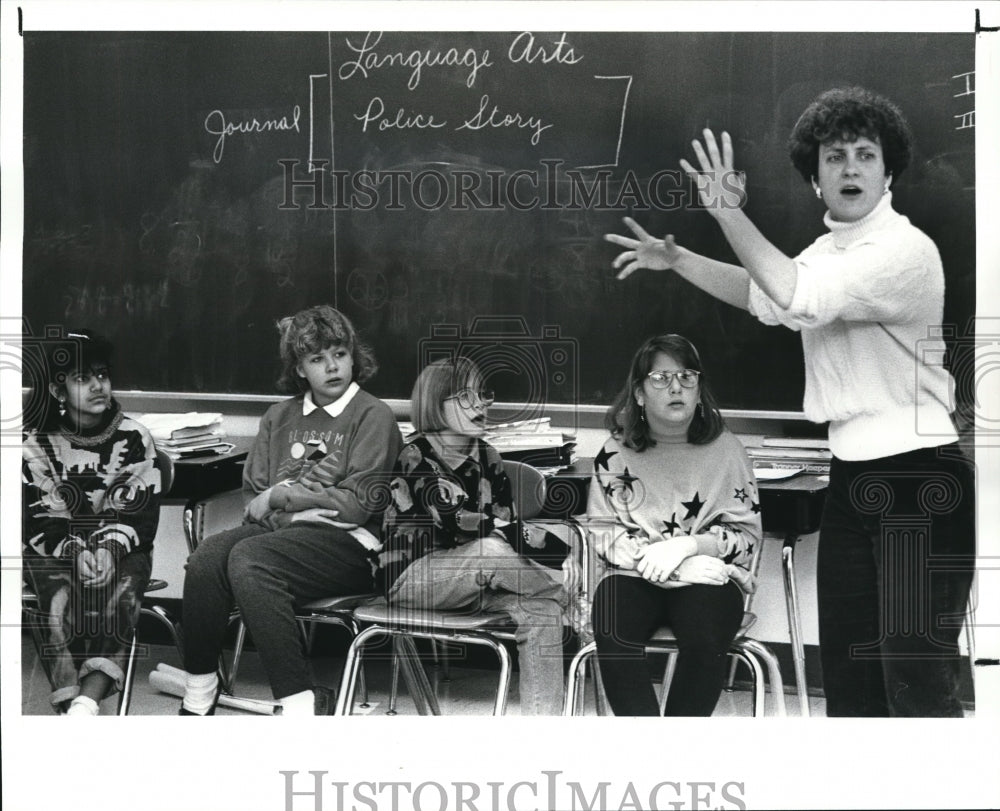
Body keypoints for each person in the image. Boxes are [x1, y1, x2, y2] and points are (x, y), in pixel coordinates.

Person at [606, 86, 975, 717]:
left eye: (866, 155)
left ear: (890, 173)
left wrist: (728, 214)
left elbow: (798, 296)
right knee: (851, 684)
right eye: (834, 157)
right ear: (814, 178)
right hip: (854, 479)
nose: (851, 168)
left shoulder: (902, 251)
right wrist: (678, 258)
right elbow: (768, 295)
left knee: (913, 681)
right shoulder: (829, 251)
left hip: (918, 476)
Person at [179, 304, 402, 715]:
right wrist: (292, 515)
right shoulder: (279, 416)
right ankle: (199, 691)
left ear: (353, 355)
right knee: (206, 558)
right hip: (284, 534)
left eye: (339, 354)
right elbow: (253, 501)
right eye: (317, 359)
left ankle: (299, 703)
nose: (332, 367)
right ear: (299, 368)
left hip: (352, 546)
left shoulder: (374, 415)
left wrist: (282, 497)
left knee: (251, 559)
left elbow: (354, 506)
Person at [377, 357, 576, 715]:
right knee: (489, 548)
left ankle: (544, 736)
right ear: (436, 403)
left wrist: (538, 545)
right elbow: (456, 521)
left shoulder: (488, 455)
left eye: (483, 394)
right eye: (466, 396)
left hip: (481, 579)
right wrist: (508, 536)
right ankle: (574, 603)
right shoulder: (415, 454)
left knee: (541, 610)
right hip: (413, 578)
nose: (482, 404)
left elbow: (507, 529)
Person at [586, 333, 760, 716]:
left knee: (703, 637)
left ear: (699, 389)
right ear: (639, 392)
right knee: (613, 627)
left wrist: (686, 547)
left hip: (708, 578)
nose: (676, 387)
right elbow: (603, 531)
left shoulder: (727, 450)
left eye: (687, 376)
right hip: (634, 575)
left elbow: (746, 538)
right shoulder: (615, 452)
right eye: (661, 378)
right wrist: (672, 565)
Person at [22, 329, 163, 715]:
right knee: (56, 595)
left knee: (123, 588)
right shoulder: (37, 442)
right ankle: (72, 701)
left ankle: (88, 701)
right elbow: (37, 516)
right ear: (58, 390)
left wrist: (107, 548)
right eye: (83, 378)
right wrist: (74, 550)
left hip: (121, 544)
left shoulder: (135, 437)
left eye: (102, 374)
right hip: (53, 547)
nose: (98, 385)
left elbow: (137, 509)